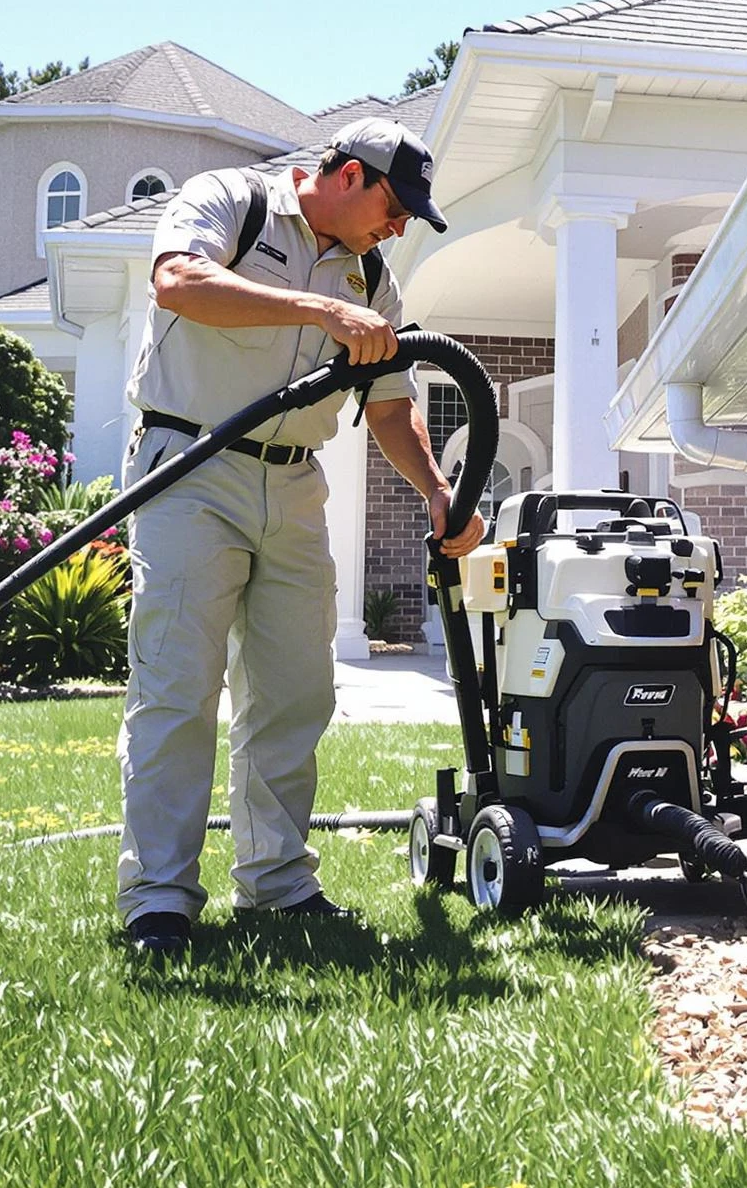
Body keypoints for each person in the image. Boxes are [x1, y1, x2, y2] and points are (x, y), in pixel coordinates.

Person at [115, 118, 486, 954]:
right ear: (348, 175)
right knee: (178, 686)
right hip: (189, 466)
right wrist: (319, 307)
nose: (398, 227)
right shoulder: (231, 201)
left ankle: (277, 885)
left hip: (295, 483)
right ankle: (159, 901)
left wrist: (437, 492)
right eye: (395, 206)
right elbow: (178, 281)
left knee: (294, 691)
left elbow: (391, 406)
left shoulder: (374, 276)